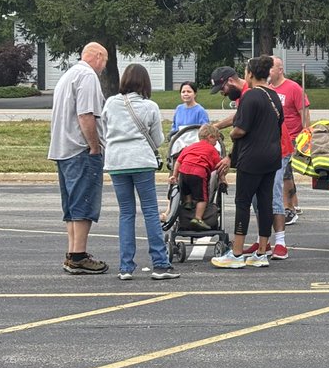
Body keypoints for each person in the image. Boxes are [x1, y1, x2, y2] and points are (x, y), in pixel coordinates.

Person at [102, 64, 179, 280]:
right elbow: (158, 139)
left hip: (117, 162)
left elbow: (105, 130)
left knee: (126, 213)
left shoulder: (111, 103)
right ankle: (160, 264)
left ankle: (126, 266)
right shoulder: (150, 106)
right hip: (141, 160)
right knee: (150, 211)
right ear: (145, 82)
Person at [210, 59, 283, 269]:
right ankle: (262, 252)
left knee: (242, 202)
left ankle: (236, 253)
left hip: (252, 157)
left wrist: (232, 134)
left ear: (250, 74)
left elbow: (241, 129)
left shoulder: (250, 96)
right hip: (272, 156)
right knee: (265, 202)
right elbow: (278, 123)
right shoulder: (273, 95)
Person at [48, 42, 110, 275]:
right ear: (98, 56)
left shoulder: (68, 76)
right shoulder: (88, 76)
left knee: (72, 204)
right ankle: (79, 256)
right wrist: (94, 146)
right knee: (84, 202)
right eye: (105, 61)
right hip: (80, 149)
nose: (104, 67)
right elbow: (85, 114)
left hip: (62, 148)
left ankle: (72, 252)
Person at [269, 57, 311, 224]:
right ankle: (295, 203)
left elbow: (304, 112)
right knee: (286, 172)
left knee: (284, 173)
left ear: (280, 70)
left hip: (292, 137)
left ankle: (289, 209)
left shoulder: (293, 88)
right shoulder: (268, 89)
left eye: (271, 68)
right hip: (275, 137)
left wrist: (307, 134)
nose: (268, 71)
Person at [174, 123, 230, 230]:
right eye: (216, 140)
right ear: (210, 137)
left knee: (187, 189)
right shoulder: (212, 150)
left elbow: (178, 162)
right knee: (202, 198)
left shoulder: (190, 147)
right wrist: (223, 180)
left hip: (184, 172)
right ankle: (198, 218)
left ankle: (188, 202)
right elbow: (220, 167)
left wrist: (175, 176)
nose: (216, 143)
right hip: (198, 174)